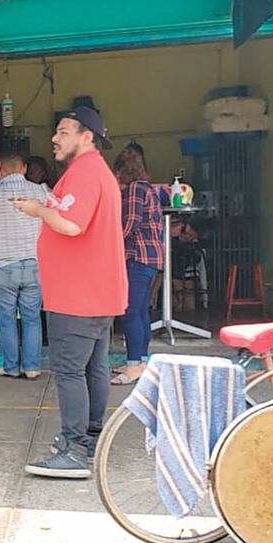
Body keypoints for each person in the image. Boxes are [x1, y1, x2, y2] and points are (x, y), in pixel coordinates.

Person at [12, 107, 127, 478]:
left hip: (78, 295)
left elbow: (71, 225)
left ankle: (74, 450)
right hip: (95, 292)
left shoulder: (85, 172)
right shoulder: (94, 172)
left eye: (63, 132)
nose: (55, 138)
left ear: (86, 136)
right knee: (93, 368)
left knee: (69, 371)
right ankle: (90, 439)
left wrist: (37, 210)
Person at [0, 153, 48, 379]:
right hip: (34, 264)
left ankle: (10, 367)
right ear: (24, 168)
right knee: (32, 318)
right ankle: (32, 367)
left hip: (2, 265)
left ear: (0, 171)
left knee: (6, 320)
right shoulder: (41, 192)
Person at [110, 146, 163, 386]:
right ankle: (141, 361)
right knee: (141, 311)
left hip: (137, 257)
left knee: (130, 311)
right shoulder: (148, 189)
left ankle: (133, 365)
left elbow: (130, 223)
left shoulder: (134, 190)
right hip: (150, 259)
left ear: (122, 171)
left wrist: (108, 244)